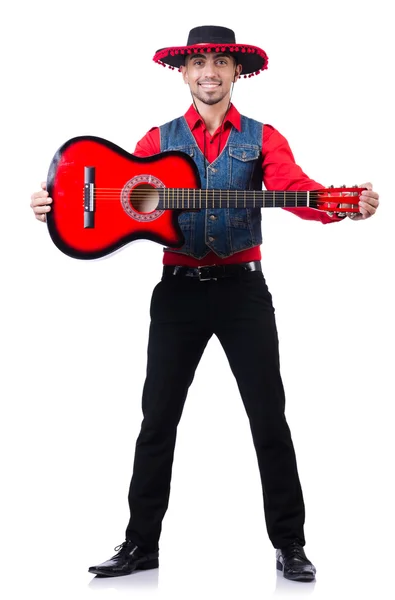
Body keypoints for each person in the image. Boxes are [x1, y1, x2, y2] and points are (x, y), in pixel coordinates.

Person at [30, 25, 379, 582]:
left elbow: (297, 190)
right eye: (197, 63)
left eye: (219, 61)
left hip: (243, 291)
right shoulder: (157, 138)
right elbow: (111, 191)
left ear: (237, 72)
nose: (208, 72)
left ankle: (290, 544)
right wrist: (59, 203)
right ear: (184, 73)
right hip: (177, 294)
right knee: (157, 420)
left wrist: (340, 207)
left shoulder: (263, 138)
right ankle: (140, 544)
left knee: (268, 418)